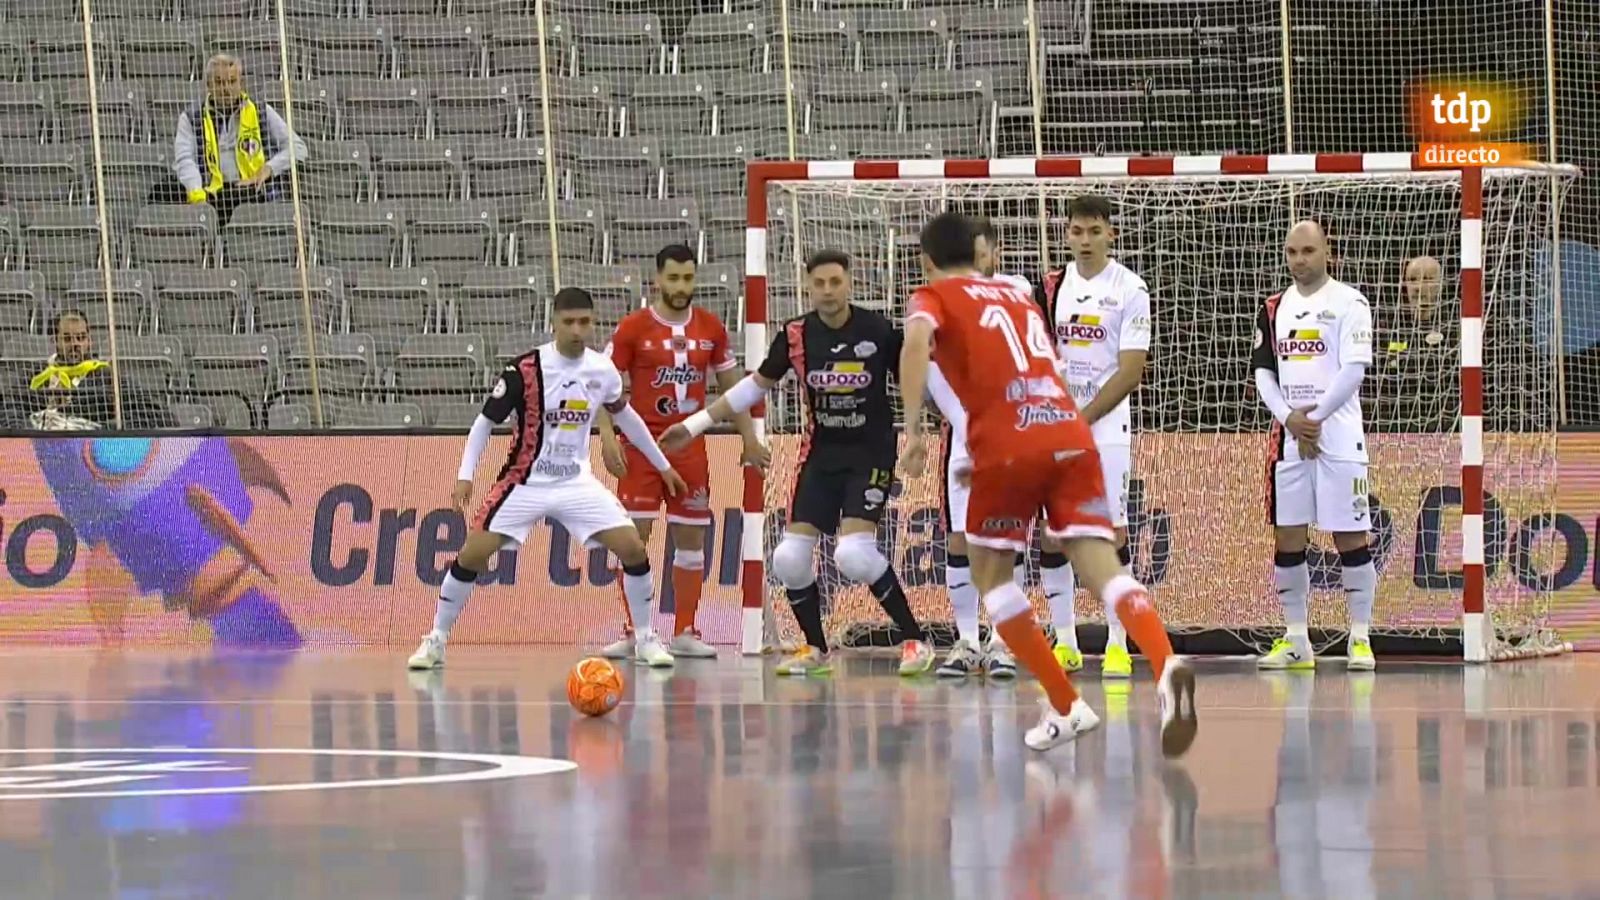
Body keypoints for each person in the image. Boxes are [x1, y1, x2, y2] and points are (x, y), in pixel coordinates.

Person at [899, 211, 1195, 755]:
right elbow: (1046, 370)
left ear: (926, 260)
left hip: (1009, 446)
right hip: (1070, 431)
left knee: (992, 578)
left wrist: (916, 431)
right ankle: (1165, 662)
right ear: (980, 251)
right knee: (1103, 565)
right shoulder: (1018, 296)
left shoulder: (931, 296)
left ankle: (1067, 704)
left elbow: (915, 346)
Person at [661, 250, 934, 677]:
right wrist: (695, 424)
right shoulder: (794, 335)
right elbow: (756, 385)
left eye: (835, 282)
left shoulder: (879, 331)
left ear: (850, 282)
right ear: (807, 286)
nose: (827, 291)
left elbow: (917, 380)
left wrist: (926, 430)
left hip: (870, 454)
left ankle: (915, 640)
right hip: (820, 456)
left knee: (854, 555)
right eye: (819, 284)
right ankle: (816, 649)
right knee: (788, 558)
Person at [407, 288, 687, 671]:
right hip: (526, 482)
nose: (577, 329)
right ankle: (435, 640)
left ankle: (645, 639)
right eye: (568, 322)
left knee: (634, 549)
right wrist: (465, 476)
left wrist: (661, 464)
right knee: (472, 554)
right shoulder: (524, 370)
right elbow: (484, 423)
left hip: (576, 483)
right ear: (553, 322)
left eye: (584, 322)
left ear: (592, 323)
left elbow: (626, 418)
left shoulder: (601, 371)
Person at [595, 244, 768, 659]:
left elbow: (734, 389)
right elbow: (601, 383)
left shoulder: (710, 327)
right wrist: (604, 436)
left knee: (690, 540)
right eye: (672, 278)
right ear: (657, 279)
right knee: (632, 541)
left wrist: (748, 439)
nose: (680, 286)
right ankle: (636, 630)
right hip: (639, 448)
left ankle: (686, 630)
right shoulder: (633, 328)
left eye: (688, 278)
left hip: (689, 448)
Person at [1035, 195, 1153, 680]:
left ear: (1112, 235)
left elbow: (1130, 371)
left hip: (1104, 426)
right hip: (1056, 423)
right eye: (1077, 231)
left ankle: (1118, 642)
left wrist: (1081, 418)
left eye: (1094, 231)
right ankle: (1064, 642)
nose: (1085, 241)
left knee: (1112, 533)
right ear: (1066, 234)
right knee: (1052, 532)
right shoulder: (1048, 287)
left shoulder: (1131, 288)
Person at [1252, 220, 1377, 672]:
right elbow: (1264, 371)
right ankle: (1296, 639)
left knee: (1349, 537)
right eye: (1291, 252)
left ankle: (1360, 638)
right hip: (1290, 439)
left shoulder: (1350, 302)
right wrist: (1290, 419)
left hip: (1339, 439)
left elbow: (1353, 370)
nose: (1299, 260)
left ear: (1327, 251)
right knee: (1288, 537)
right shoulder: (1275, 306)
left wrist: (1314, 419)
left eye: (1307, 251)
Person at [933, 216, 1032, 679]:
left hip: (1012, 432)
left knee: (1005, 538)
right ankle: (967, 640)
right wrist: (967, 425)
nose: (975, 262)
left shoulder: (1017, 290)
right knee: (960, 538)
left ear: (995, 253)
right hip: (964, 436)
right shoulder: (939, 301)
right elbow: (932, 370)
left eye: (981, 252)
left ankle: (1004, 641)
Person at [163, 54, 307, 224]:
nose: (226, 89)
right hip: (212, 197)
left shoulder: (261, 111)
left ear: (241, 84)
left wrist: (269, 168)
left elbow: (298, 148)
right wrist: (197, 195)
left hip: (252, 193)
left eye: (232, 81)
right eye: (219, 82)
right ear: (208, 86)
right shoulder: (191, 117)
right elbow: (185, 160)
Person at [1369, 255, 1455, 434]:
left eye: (1427, 279)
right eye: (1412, 280)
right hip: (1397, 429)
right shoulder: (1389, 328)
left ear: (1442, 285)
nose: (1418, 287)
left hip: (1447, 430)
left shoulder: (1456, 328)